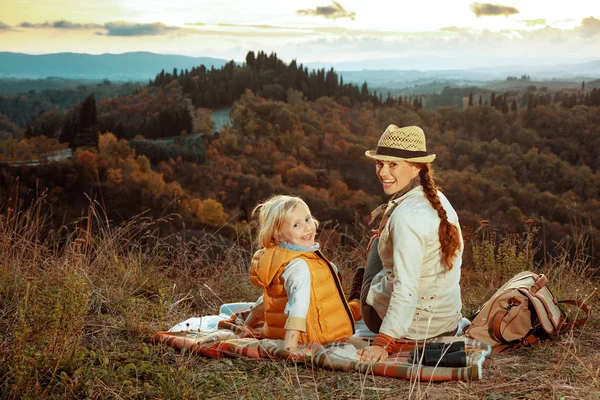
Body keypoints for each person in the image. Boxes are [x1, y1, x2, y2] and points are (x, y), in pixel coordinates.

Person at [352, 124, 463, 363]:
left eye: (393, 164)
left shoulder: (405, 218)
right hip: (446, 325)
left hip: (414, 330)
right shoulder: (441, 201)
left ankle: (353, 302)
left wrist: (384, 343)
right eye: (379, 163)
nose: (382, 172)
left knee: (375, 246)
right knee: (381, 240)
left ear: (416, 167)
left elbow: (406, 288)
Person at [244, 195, 361, 352]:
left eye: (307, 219)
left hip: (277, 331)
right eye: (296, 225)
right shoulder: (299, 266)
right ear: (278, 235)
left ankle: (359, 294)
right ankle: (360, 295)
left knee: (335, 277)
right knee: (358, 307)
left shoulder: (276, 258)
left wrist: (248, 325)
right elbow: (297, 306)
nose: (307, 227)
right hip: (317, 333)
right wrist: (291, 348)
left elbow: (270, 298)